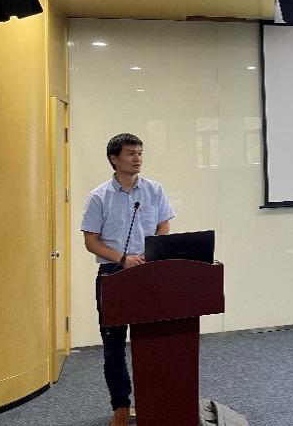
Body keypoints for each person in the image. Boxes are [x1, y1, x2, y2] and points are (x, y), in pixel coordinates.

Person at [80, 133, 175, 426]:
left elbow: (163, 225)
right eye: (131, 153)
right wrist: (123, 259)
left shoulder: (154, 190)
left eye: (140, 153)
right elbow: (91, 242)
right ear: (114, 158)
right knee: (114, 345)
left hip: (147, 272)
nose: (138, 158)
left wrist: (151, 252)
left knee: (151, 342)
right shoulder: (99, 197)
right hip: (114, 274)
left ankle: (154, 400)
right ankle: (121, 405)